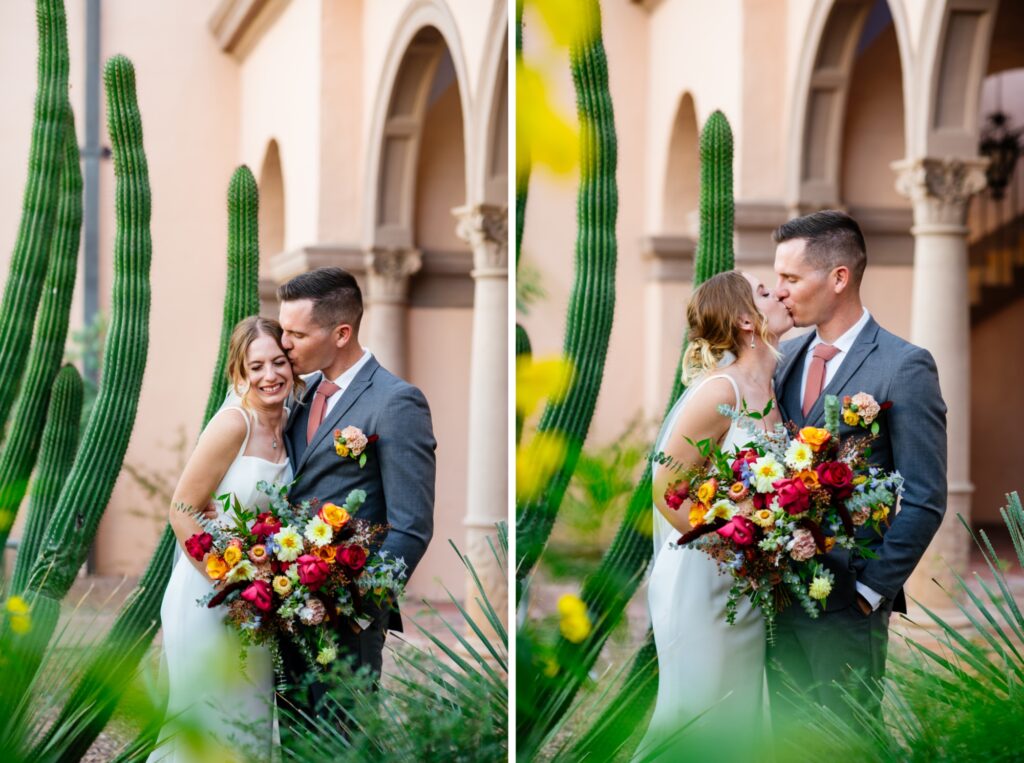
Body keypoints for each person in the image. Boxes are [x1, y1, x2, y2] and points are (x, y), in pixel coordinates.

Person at [768, 209, 947, 719]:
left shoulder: (904, 365)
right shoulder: (784, 360)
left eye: (791, 278)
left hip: (848, 604)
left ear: (839, 278)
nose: (779, 291)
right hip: (779, 598)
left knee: (846, 742)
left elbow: (926, 495)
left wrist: (870, 593)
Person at [635, 270, 793, 761]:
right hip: (704, 581)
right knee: (697, 712)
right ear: (747, 319)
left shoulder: (771, 387)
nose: (782, 292)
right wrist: (732, 547)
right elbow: (667, 490)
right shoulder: (720, 392)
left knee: (738, 717)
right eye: (767, 291)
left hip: (746, 583)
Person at [274, 267, 436, 748]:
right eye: (283, 329)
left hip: (347, 617)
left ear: (341, 333)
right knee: (291, 737)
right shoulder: (297, 400)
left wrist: (360, 608)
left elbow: (412, 526)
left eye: (296, 333)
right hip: (283, 603)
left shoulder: (396, 402)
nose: (284, 343)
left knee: (341, 740)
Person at [150, 316, 295, 762]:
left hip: (258, 602)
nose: (269, 375)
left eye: (278, 362)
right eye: (256, 366)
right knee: (206, 722)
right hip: (209, 595)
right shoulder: (235, 423)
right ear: (239, 372)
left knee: (247, 721)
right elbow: (183, 509)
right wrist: (232, 583)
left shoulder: (293, 422)